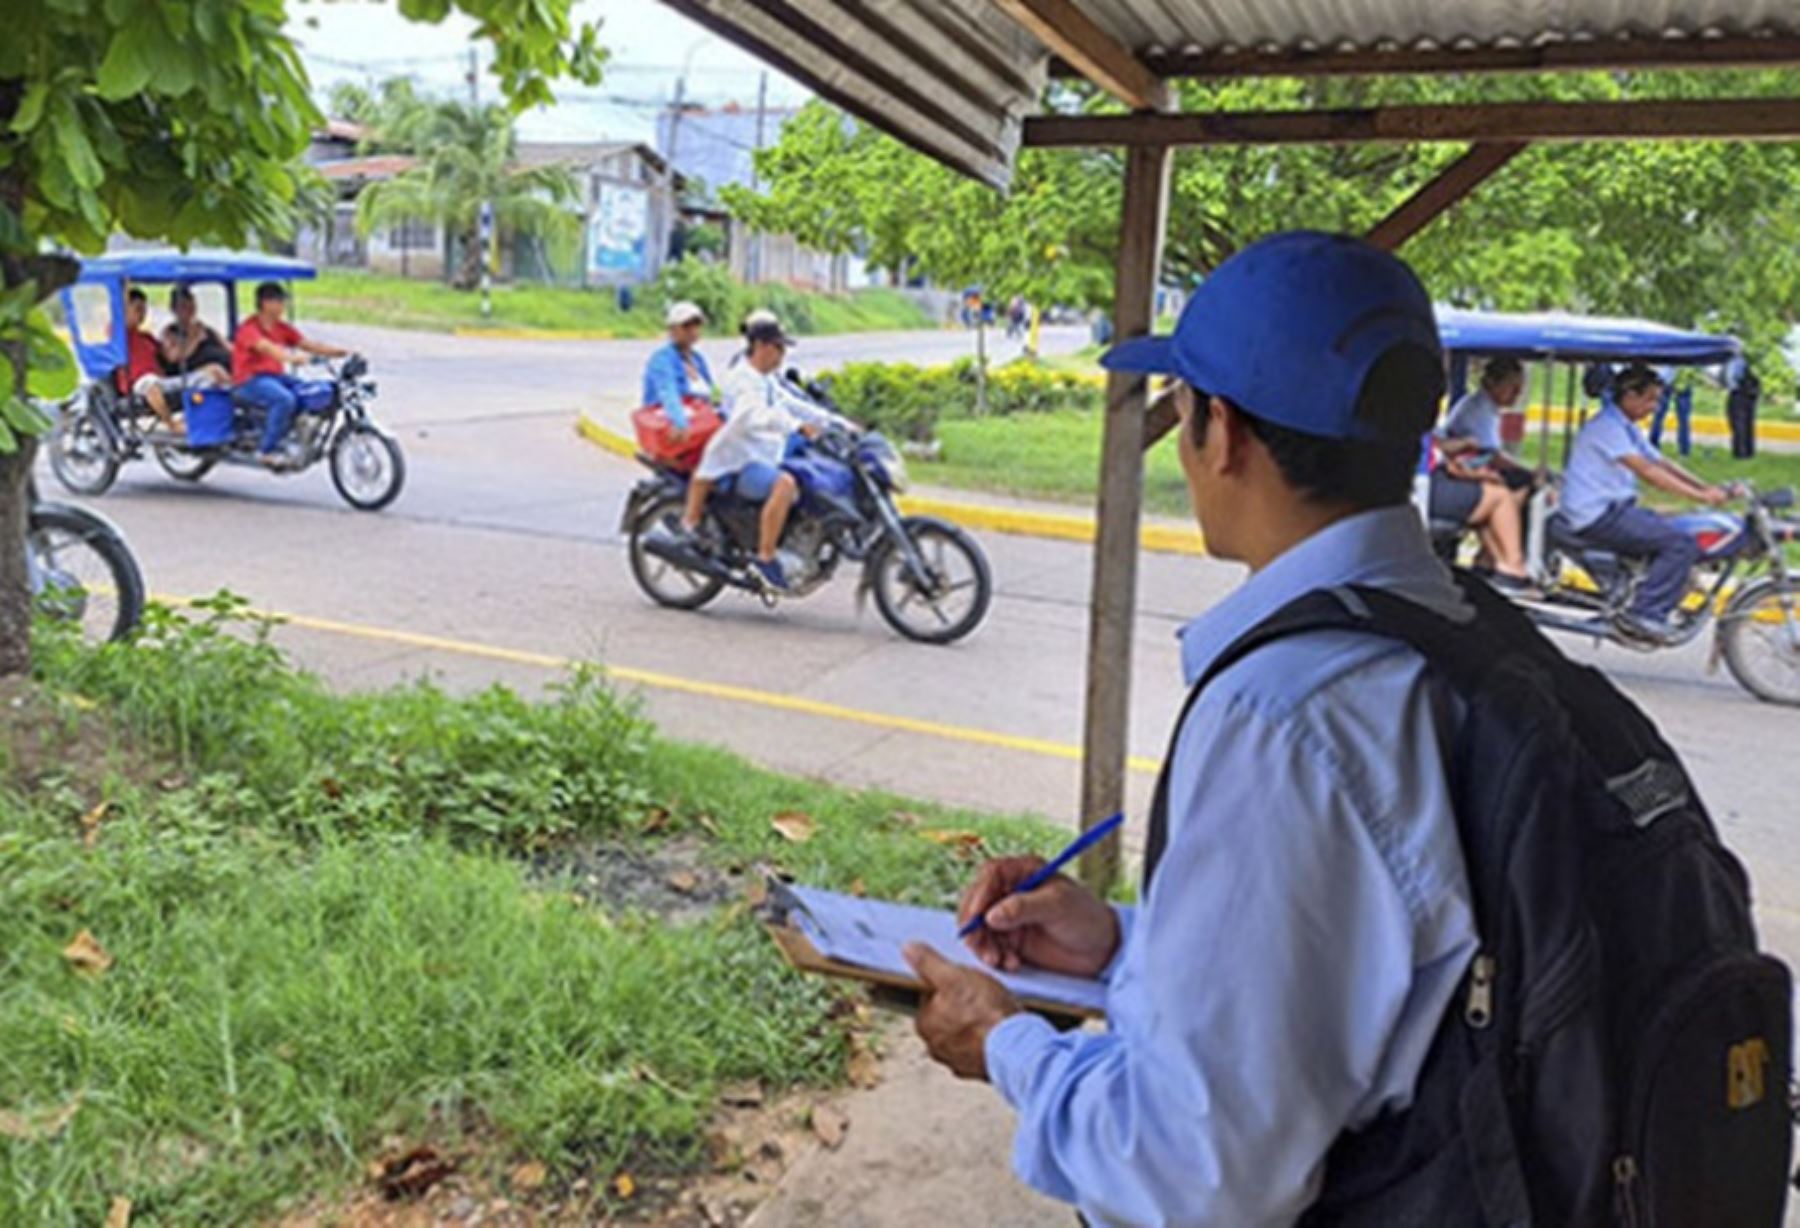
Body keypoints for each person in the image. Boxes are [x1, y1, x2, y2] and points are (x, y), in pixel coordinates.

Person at [899, 233, 1479, 1225]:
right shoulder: (1468, 635)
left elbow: (1193, 1170)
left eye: (1180, 405)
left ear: (1223, 433)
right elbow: (1368, 983)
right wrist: (1126, 945)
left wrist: (1005, 1042)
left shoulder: (1287, 717)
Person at [1559, 362, 1728, 641]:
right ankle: (1646, 614)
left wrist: (1705, 486)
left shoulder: (1625, 426)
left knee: (1676, 527)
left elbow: (1660, 461)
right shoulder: (1606, 427)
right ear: (1629, 397)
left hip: (1615, 509)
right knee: (1680, 543)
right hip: (1597, 515)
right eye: (1650, 399)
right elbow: (1648, 472)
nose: (1654, 406)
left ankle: (1645, 593)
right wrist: (1699, 496)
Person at [691, 318, 845, 592]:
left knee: (809, 472)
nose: (782, 355)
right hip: (740, 462)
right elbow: (753, 416)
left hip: (764, 454)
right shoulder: (743, 380)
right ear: (761, 346)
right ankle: (765, 557)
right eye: (778, 348)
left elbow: (791, 403)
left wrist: (833, 421)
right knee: (785, 484)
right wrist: (795, 426)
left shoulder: (765, 378)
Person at [1430, 356, 1532, 590]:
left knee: (1499, 485)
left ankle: (1494, 560)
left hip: (1441, 472)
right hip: (1426, 484)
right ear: (1492, 383)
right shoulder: (1479, 409)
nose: (1516, 395)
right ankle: (1510, 567)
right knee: (1504, 493)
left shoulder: (1486, 407)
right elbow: (1488, 455)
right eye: (1512, 388)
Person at [232, 281, 348, 468]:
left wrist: (340, 352)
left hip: (275, 378)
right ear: (265, 303)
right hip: (248, 381)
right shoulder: (249, 329)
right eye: (279, 301)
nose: (283, 305)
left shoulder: (281, 328)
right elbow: (268, 349)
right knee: (284, 400)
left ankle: (295, 435)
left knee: (308, 392)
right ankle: (266, 450)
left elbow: (308, 344)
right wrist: (293, 358)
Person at [642, 301, 717, 531]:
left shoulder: (697, 360)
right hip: (676, 431)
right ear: (673, 329)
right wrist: (680, 422)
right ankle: (691, 523)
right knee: (713, 463)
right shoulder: (662, 360)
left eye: (696, 325)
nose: (692, 330)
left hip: (700, 427)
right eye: (686, 326)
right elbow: (668, 393)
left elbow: (712, 394)